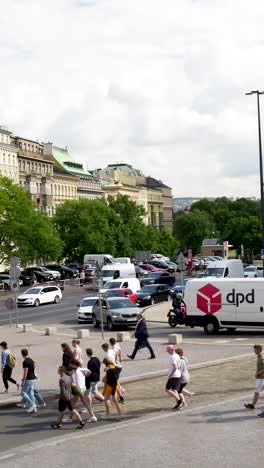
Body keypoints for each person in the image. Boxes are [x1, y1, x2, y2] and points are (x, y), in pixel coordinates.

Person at [68, 358, 97, 423]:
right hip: (83, 388)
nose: (71, 366)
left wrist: (73, 388)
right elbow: (89, 371)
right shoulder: (81, 369)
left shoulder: (76, 372)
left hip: (79, 389)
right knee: (84, 403)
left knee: (72, 403)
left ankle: (70, 418)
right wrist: (86, 375)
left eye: (71, 365)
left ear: (74, 364)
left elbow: (77, 383)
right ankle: (93, 416)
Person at [20, 349, 45, 413]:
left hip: (29, 379)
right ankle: (34, 408)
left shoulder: (25, 362)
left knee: (23, 393)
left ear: (22, 354)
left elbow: (26, 372)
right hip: (33, 378)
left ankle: (32, 404)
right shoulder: (31, 360)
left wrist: (23, 381)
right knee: (31, 393)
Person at [244, 344, 264, 410]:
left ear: (259, 350)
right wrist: (256, 372)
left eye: (255, 350)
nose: (254, 351)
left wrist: (258, 373)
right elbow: (259, 367)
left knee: (257, 391)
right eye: (254, 349)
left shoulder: (261, 358)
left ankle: (252, 405)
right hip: (260, 377)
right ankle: (252, 405)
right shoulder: (259, 357)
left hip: (261, 378)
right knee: (257, 391)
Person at [165, 345, 183, 410]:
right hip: (178, 375)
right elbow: (179, 366)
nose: (167, 352)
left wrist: (170, 375)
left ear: (171, 350)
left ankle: (179, 401)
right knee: (174, 390)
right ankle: (178, 404)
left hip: (174, 376)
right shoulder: (177, 355)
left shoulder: (173, 357)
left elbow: (175, 367)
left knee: (167, 389)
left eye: (168, 350)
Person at [109, 337, 125, 402]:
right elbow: (120, 353)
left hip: (116, 366)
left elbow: (114, 357)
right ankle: (120, 392)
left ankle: (120, 395)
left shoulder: (113, 349)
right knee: (116, 380)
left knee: (114, 381)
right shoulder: (117, 345)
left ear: (110, 343)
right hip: (119, 365)